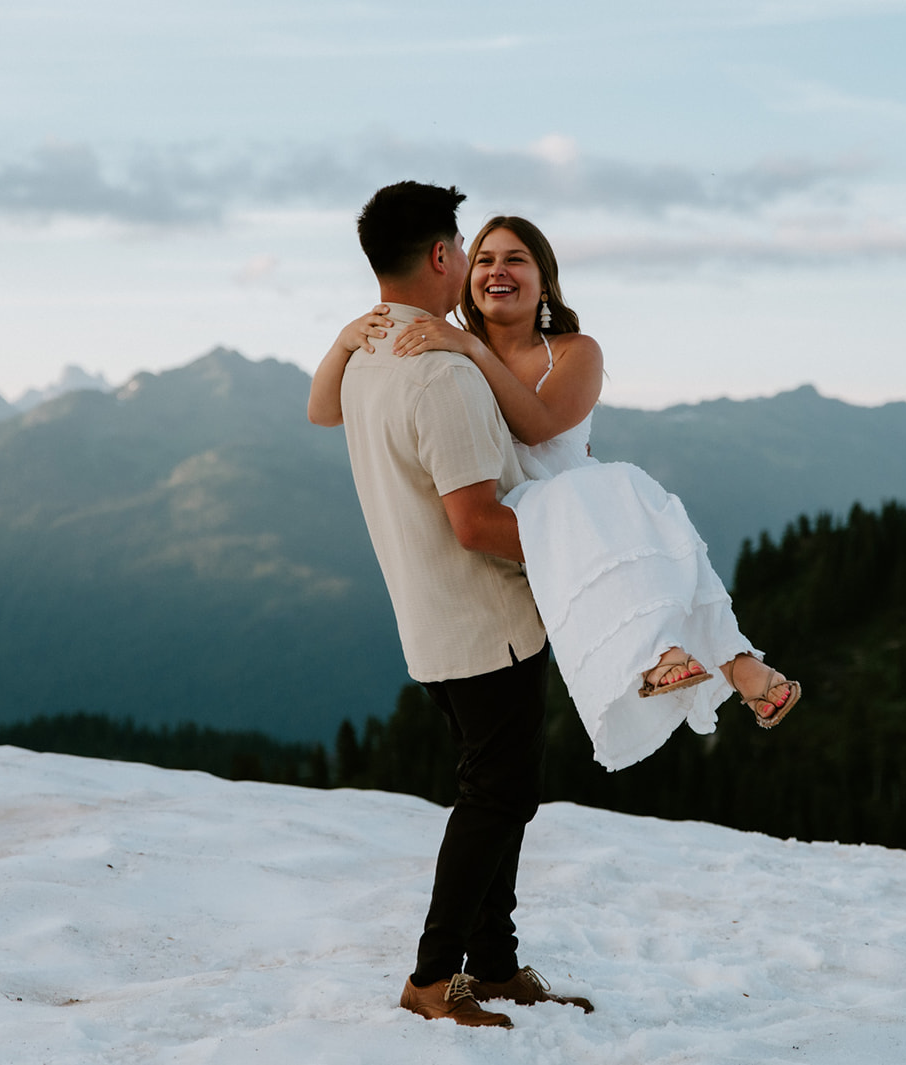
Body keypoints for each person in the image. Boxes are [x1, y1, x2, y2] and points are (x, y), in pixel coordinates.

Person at [310, 213, 799, 774]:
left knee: (650, 520)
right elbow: (323, 412)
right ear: (466, 274)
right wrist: (345, 340)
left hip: (572, 500)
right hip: (523, 512)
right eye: (486, 258)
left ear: (544, 280)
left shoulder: (573, 351)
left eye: (516, 259)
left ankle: (721, 662)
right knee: (641, 535)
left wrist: (473, 350)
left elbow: (539, 425)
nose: (498, 270)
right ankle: (709, 661)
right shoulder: (448, 356)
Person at [324, 182, 592, 1029]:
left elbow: (319, 409)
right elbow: (477, 522)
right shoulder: (441, 372)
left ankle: (497, 963)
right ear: (442, 256)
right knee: (496, 797)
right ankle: (435, 977)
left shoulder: (365, 359)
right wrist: (582, 552)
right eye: (469, 248)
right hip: (488, 622)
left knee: (498, 789)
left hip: (430, 617)